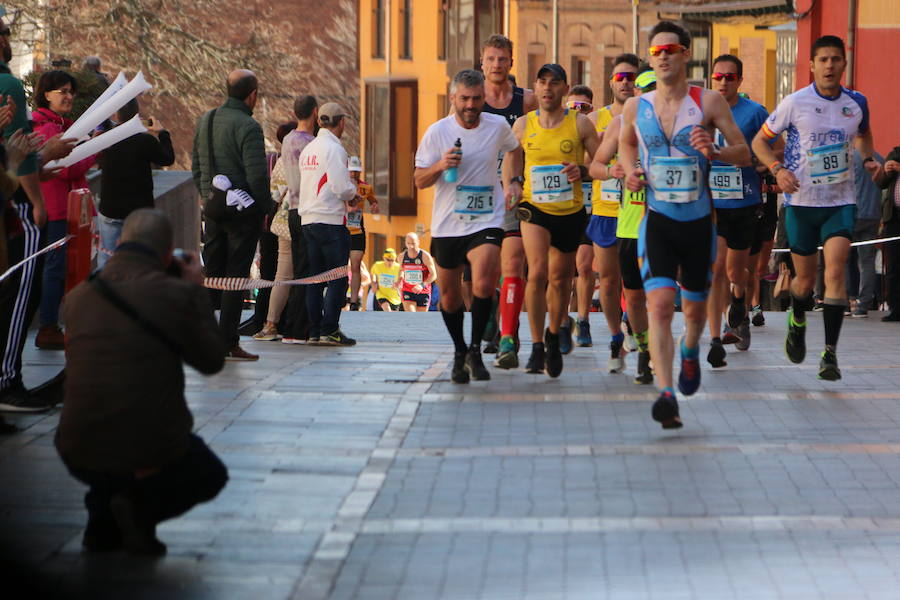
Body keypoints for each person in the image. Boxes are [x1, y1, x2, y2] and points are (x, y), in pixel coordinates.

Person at [56, 209, 227, 555]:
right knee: (208, 473)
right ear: (168, 255)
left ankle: (103, 521)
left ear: (118, 242)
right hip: (150, 446)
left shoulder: (77, 297)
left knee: (110, 448)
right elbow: (211, 361)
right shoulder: (176, 295)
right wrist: (197, 292)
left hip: (76, 445)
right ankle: (137, 511)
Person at [620, 21, 750, 429]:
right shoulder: (635, 107)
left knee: (693, 313)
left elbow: (745, 152)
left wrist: (715, 150)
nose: (662, 56)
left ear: (684, 54)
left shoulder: (709, 102)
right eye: (655, 51)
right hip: (657, 221)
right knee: (659, 305)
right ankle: (665, 394)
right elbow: (625, 143)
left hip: (697, 224)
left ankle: (691, 350)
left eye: (670, 50)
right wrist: (628, 171)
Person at [752, 34, 880, 381]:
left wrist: (866, 158)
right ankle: (796, 317)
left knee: (836, 273)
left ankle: (830, 355)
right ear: (811, 65)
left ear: (844, 64)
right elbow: (760, 141)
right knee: (805, 282)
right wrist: (778, 170)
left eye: (835, 59)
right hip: (802, 203)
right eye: (822, 59)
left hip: (841, 201)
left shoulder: (856, 103)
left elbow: (864, 134)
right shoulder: (795, 102)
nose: (829, 65)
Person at [415, 68, 520, 381]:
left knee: (485, 281)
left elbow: (515, 150)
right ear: (453, 99)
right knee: (449, 297)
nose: (471, 105)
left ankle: (476, 349)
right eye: (464, 99)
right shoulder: (437, 132)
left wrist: (514, 181)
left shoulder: (497, 126)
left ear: (484, 98)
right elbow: (419, 180)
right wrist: (441, 164)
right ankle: (460, 349)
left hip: (487, 218)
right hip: (448, 224)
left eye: (476, 99)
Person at [0, 10, 76, 416]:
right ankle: (7, 379)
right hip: (19, 207)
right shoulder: (8, 82)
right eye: (4, 32)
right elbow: (19, 158)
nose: (8, 38)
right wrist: (38, 199)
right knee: (19, 292)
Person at [507, 63, 600, 378]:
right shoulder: (523, 125)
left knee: (561, 280)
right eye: (542, 82)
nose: (548, 88)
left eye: (554, 83)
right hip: (535, 208)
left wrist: (582, 171)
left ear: (565, 88)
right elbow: (511, 160)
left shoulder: (581, 124)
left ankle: (552, 332)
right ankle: (535, 345)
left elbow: (598, 165)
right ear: (536, 87)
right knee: (537, 274)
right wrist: (513, 184)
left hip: (569, 211)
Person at [192, 69, 270, 361]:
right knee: (236, 277)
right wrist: (262, 207)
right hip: (241, 211)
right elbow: (257, 175)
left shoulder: (206, 120)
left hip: (212, 208)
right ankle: (228, 341)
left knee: (212, 274)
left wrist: (206, 197)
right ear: (252, 95)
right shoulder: (248, 126)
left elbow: (197, 166)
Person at [589, 66, 656, 384]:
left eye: (656, 87)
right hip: (628, 223)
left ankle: (650, 355)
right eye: (646, 89)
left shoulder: (680, 122)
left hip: (667, 222)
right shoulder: (620, 124)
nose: (651, 94)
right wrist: (612, 172)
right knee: (633, 295)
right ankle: (640, 345)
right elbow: (596, 165)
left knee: (661, 295)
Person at [704, 54, 770, 366]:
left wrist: (757, 165)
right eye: (719, 77)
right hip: (713, 202)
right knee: (717, 269)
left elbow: (775, 146)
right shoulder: (701, 112)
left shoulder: (755, 112)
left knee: (735, 271)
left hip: (744, 201)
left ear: (740, 81)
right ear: (711, 79)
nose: (724, 82)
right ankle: (717, 335)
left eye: (730, 77)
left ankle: (740, 305)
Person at [480, 34, 538, 369]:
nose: (497, 65)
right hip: (480, 195)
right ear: (482, 63)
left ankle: (508, 334)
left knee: (513, 265)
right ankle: (491, 314)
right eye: (491, 59)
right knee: (482, 273)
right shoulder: (470, 99)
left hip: (517, 193)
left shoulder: (527, 101)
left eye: (503, 59)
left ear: (511, 62)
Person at [32, 70, 98, 351]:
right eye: (62, 91)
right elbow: (66, 168)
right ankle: (48, 326)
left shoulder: (61, 125)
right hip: (57, 208)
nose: (68, 96)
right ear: (46, 95)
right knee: (55, 270)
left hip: (65, 206)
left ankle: (54, 325)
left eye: (71, 91)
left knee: (60, 269)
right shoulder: (47, 129)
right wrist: (95, 148)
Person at [584, 53, 641, 368]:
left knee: (639, 283)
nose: (626, 82)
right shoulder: (597, 120)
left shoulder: (651, 118)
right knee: (607, 280)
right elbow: (591, 167)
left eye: (631, 77)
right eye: (620, 77)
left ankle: (634, 327)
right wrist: (611, 172)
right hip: (607, 209)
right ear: (610, 82)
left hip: (640, 211)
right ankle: (615, 335)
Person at [299, 102, 358, 345]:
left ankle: (314, 330)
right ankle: (330, 329)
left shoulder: (309, 149)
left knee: (314, 278)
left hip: (308, 219)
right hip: (330, 220)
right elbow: (340, 187)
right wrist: (354, 192)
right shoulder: (334, 149)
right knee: (337, 277)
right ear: (341, 122)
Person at [97, 98, 175, 267]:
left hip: (111, 208)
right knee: (141, 258)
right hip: (139, 211)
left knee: (107, 257)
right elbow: (168, 158)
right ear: (136, 115)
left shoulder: (106, 139)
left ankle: (103, 290)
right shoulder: (145, 141)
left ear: (116, 115)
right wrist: (161, 132)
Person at [560, 84, 598, 353]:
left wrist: (585, 170)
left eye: (583, 107)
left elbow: (601, 165)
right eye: (573, 107)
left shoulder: (591, 133)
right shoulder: (559, 134)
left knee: (584, 266)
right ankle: (563, 320)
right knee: (561, 271)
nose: (578, 112)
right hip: (561, 208)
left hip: (589, 208)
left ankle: (583, 319)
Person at [252, 122, 296, 341]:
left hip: (268, 224)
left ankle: (265, 319)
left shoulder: (270, 160)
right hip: (288, 224)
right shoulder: (291, 160)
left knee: (271, 274)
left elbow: (269, 191)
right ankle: (284, 321)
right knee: (287, 273)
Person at [279, 95, 317, 344]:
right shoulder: (312, 144)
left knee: (297, 269)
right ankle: (297, 327)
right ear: (314, 112)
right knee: (307, 270)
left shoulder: (288, 139)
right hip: (307, 209)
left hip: (291, 208)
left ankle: (292, 325)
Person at [845, 149, 884, 317]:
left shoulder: (849, 158)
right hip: (873, 214)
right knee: (867, 260)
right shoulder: (879, 158)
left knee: (843, 259)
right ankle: (864, 304)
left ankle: (845, 301)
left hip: (851, 213)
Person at [347, 155, 379, 310]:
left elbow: (373, 200)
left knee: (356, 265)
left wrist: (374, 206)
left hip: (357, 229)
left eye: (356, 172)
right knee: (339, 267)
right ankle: (339, 297)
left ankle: (354, 301)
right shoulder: (341, 185)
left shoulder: (366, 187)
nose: (353, 175)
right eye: (351, 172)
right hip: (341, 229)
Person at [876, 145, 900, 321]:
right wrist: (886, 170)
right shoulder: (894, 153)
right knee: (892, 266)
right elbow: (880, 183)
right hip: (893, 218)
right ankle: (895, 308)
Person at [400, 232, 437, 312]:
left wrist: (422, 285)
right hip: (408, 290)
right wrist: (399, 280)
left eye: (413, 243)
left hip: (423, 291)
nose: (411, 246)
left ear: (418, 242)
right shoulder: (401, 257)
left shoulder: (425, 256)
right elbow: (401, 270)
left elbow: (434, 275)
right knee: (411, 315)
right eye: (408, 243)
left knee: (420, 319)